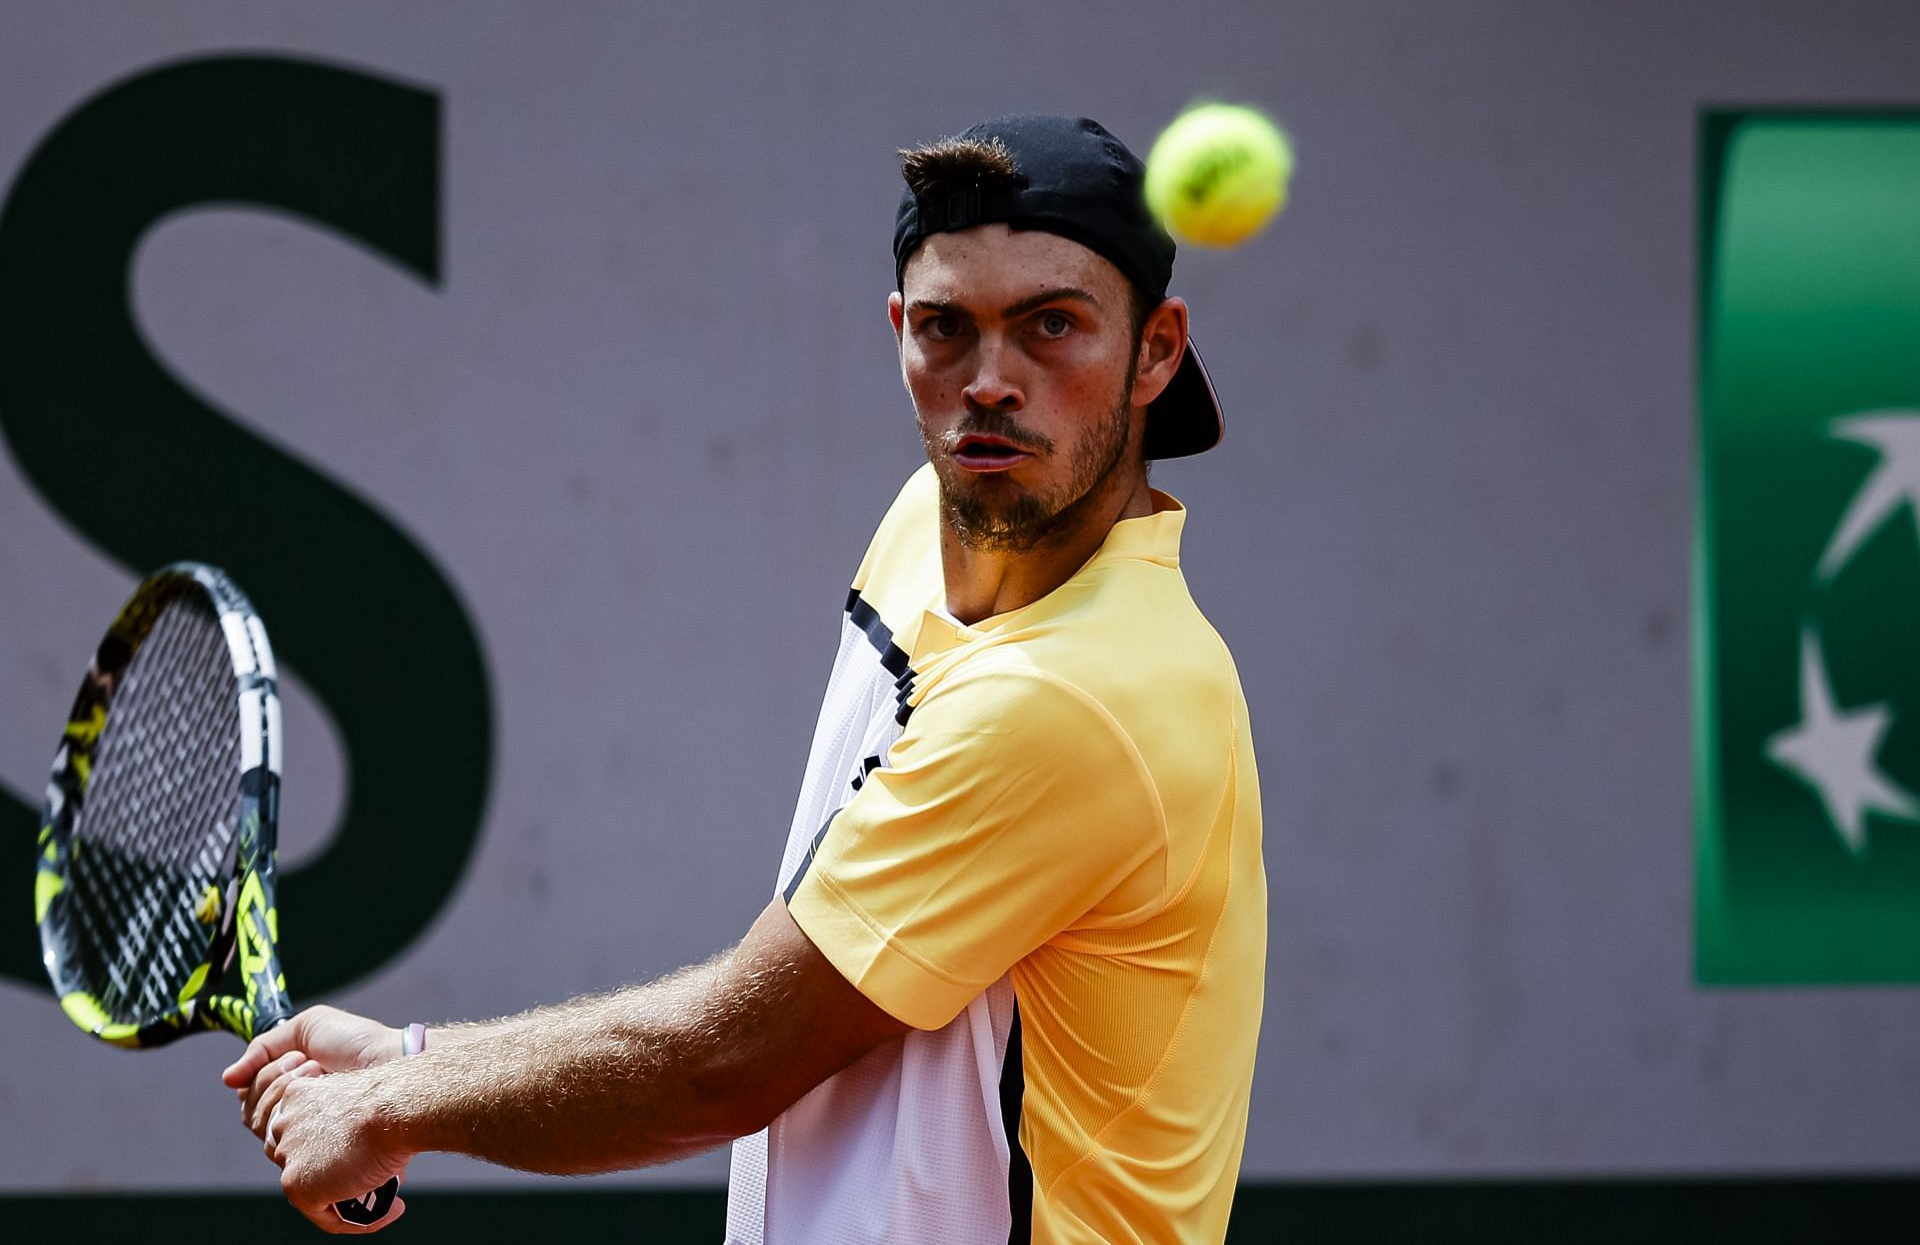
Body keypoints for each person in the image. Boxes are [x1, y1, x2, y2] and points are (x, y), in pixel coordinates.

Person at [224, 114, 1266, 1244]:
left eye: (1052, 326)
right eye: (945, 329)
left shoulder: (1079, 698)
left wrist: (393, 1102)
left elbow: (728, 1058)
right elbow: (797, 973)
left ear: (1157, 348)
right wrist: (414, 1064)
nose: (989, 383)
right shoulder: (935, 519)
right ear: (897, 334)